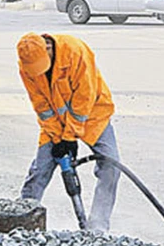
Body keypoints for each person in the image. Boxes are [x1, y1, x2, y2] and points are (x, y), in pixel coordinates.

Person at [17, 32, 119, 233]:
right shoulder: (27, 65)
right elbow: (41, 106)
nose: (37, 73)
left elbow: (84, 98)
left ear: (48, 48)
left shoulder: (75, 51)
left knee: (111, 165)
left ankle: (98, 225)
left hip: (92, 115)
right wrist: (58, 139)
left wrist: (69, 138)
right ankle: (22, 219)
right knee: (40, 170)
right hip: (55, 124)